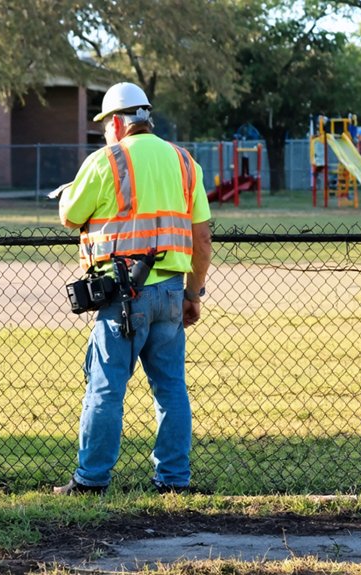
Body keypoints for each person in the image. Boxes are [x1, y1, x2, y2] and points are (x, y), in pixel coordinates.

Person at [53, 82, 212, 495]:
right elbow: (202, 241)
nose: (106, 131)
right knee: (171, 388)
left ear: (120, 123)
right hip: (172, 295)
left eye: (106, 124)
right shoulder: (184, 162)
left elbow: (70, 216)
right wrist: (193, 294)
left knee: (105, 389)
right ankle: (174, 481)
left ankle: (91, 480)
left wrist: (69, 194)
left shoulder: (107, 161)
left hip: (123, 296)